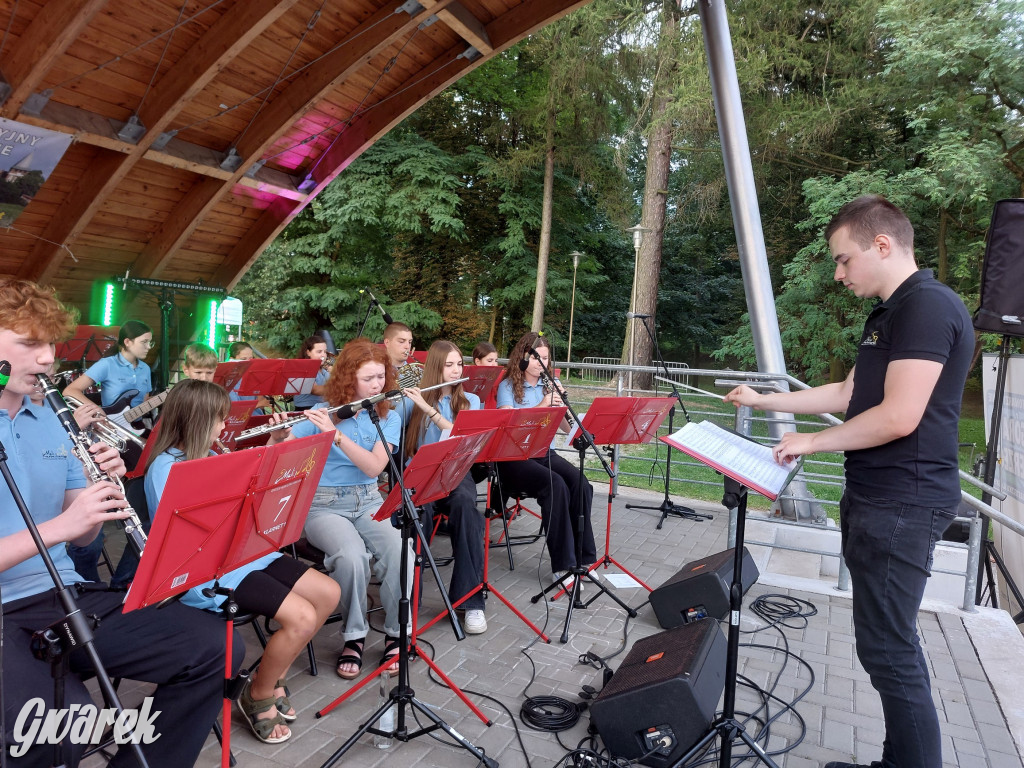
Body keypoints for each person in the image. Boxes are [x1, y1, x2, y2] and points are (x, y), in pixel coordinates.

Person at [724, 195, 973, 768]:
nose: (838, 273)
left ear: (882, 246)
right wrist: (766, 399)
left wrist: (809, 442)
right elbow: (846, 395)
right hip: (878, 498)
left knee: (890, 651)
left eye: (843, 260)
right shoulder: (890, 311)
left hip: (903, 503)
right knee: (884, 646)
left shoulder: (928, 308)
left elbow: (898, 416)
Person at [0, 278, 242, 768]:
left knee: (214, 649)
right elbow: (63, 530)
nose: (47, 358)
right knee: (53, 732)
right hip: (5, 610)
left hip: (61, 595)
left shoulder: (51, 416)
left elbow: (84, 535)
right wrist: (61, 527)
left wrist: (95, 491)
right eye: (30, 344)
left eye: (50, 344)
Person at [144, 379, 340, 744]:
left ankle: (271, 671)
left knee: (328, 592)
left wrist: (275, 445)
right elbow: (192, 537)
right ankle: (258, 693)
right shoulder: (167, 468)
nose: (224, 426)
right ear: (198, 420)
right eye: (219, 419)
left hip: (244, 555)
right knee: (302, 618)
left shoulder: (213, 456)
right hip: (206, 572)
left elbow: (253, 491)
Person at [266, 338, 411, 680]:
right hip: (322, 504)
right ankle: (355, 636)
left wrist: (337, 437)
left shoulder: (387, 416)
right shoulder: (325, 411)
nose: (377, 385)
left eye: (381, 377)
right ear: (349, 379)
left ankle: (395, 632)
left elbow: (375, 468)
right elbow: (281, 452)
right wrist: (278, 436)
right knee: (351, 556)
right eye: (369, 379)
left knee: (399, 549)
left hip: (368, 498)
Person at [496, 332, 595, 589]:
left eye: (546, 358)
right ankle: (562, 566)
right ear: (522, 358)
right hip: (514, 457)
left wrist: (561, 405)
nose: (542, 363)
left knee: (582, 484)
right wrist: (542, 404)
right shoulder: (507, 386)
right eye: (537, 357)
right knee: (555, 485)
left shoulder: (547, 385)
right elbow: (509, 426)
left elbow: (563, 428)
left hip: (544, 453)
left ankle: (582, 561)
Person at [404, 340, 487, 634]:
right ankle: (408, 604)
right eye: (448, 365)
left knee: (468, 510)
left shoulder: (472, 401)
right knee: (418, 516)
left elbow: (457, 437)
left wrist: (428, 409)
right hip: (421, 472)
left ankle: (470, 602)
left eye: (459, 365)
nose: (455, 370)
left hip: (455, 471)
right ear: (435, 369)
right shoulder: (411, 400)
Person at [63, 320, 153, 410]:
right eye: (144, 342)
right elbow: (70, 391)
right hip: (110, 422)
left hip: (138, 422)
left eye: (150, 342)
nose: (149, 347)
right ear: (127, 342)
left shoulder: (145, 368)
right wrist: (97, 410)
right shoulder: (107, 364)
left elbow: (144, 402)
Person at [292, 335, 329, 410]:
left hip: (323, 407)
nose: (323, 355)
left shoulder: (324, 369)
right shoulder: (302, 368)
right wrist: (341, 388)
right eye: (319, 352)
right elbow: (315, 390)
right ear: (308, 352)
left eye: (325, 352)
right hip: (306, 409)